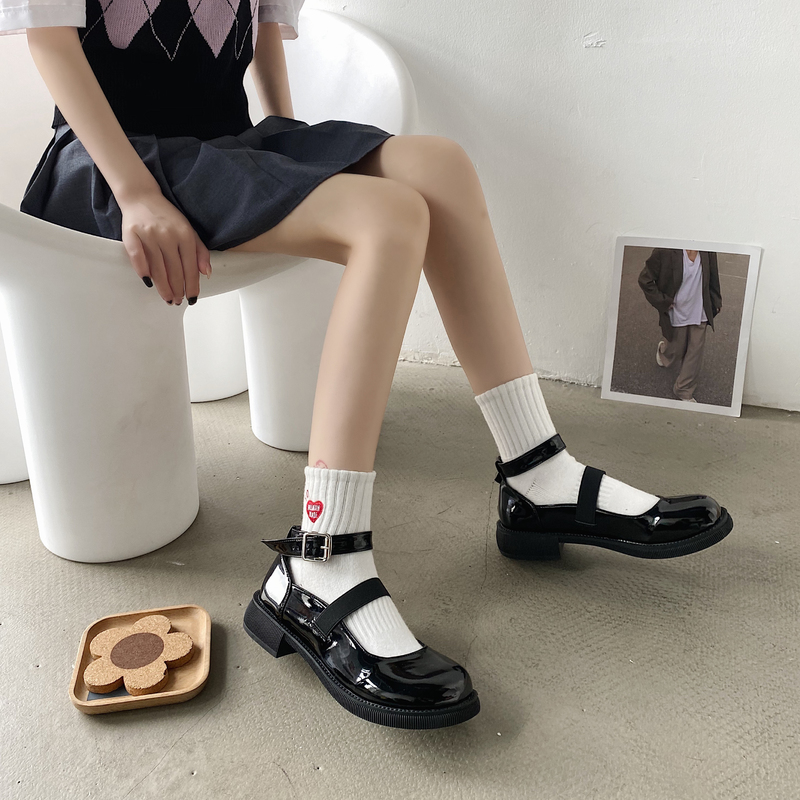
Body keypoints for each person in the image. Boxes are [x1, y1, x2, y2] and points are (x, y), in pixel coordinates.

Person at [4, 0, 734, 730]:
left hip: (226, 146)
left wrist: (284, 137)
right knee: (389, 217)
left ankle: (537, 472)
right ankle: (321, 559)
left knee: (441, 165)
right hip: (113, 163)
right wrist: (135, 192)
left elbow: (261, 29)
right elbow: (50, 40)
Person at [638, 248, 723, 402]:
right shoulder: (665, 250)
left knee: (695, 352)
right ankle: (664, 352)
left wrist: (716, 300)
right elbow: (645, 280)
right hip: (676, 310)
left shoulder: (707, 249)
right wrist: (663, 301)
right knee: (676, 349)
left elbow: (713, 276)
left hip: (700, 309)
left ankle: (683, 390)